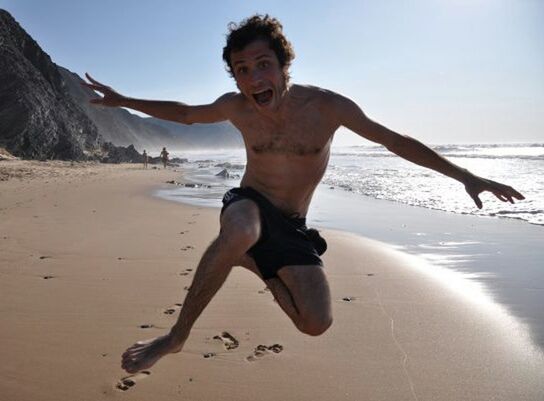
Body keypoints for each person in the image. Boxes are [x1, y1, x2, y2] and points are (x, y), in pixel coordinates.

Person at [82, 15, 524, 374]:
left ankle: (252, 260)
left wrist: (464, 174)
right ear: (235, 79)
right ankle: (176, 336)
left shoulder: (327, 107)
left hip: (293, 225)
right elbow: (183, 114)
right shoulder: (236, 107)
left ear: (283, 63)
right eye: (242, 70)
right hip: (249, 204)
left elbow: (394, 141)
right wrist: (124, 100)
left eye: (262, 64)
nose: (253, 78)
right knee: (242, 228)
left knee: (315, 323)